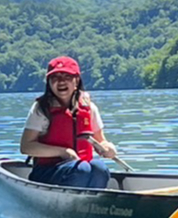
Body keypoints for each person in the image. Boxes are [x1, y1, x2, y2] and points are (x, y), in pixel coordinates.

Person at [20, 55, 119, 189]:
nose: (61, 82)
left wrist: (108, 148)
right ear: (49, 82)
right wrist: (63, 152)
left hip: (78, 169)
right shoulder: (41, 109)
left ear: (76, 80)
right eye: (55, 78)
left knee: (99, 168)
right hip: (47, 172)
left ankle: (91, 203)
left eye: (67, 77)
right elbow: (26, 147)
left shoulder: (89, 108)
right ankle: (70, 204)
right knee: (82, 168)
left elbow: (100, 140)